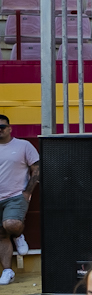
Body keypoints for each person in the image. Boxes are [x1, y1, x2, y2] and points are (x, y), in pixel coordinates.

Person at [0, 114, 39, 284]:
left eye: (2, 127)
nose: (0, 130)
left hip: (15, 196)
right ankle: (7, 271)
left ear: (9, 128)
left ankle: (18, 234)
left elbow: (37, 168)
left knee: (11, 224)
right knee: (1, 234)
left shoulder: (23, 145)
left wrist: (27, 192)